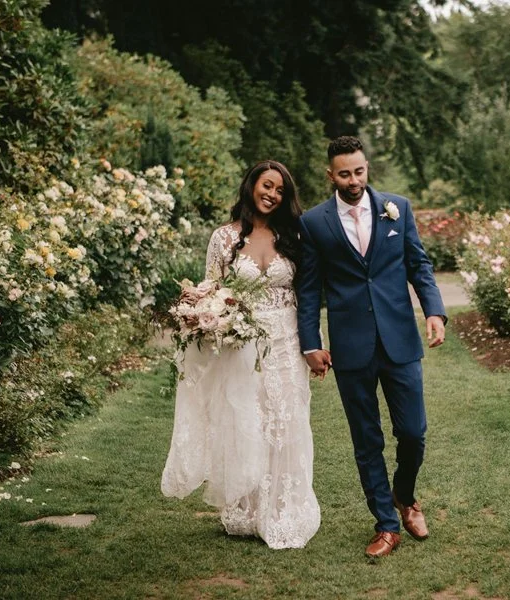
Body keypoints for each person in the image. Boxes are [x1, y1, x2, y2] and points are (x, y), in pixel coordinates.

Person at [296, 136, 446, 558]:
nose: (353, 180)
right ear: (331, 175)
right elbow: (309, 292)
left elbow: (418, 264)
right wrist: (311, 343)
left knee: (413, 433)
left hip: (400, 339)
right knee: (367, 441)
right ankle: (386, 524)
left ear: (366, 168)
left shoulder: (397, 206)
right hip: (351, 345)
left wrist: (434, 310)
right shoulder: (314, 222)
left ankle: (405, 494)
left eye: (359, 171)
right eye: (344, 173)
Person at [161, 160, 320, 550]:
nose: (272, 194)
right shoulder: (223, 237)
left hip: (286, 339)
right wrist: (207, 315)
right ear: (251, 186)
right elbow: (211, 290)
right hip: (242, 342)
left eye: (280, 190)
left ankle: (285, 509)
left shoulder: (293, 236)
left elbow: (309, 290)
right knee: (248, 420)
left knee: (288, 419)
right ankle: (249, 509)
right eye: (267, 186)